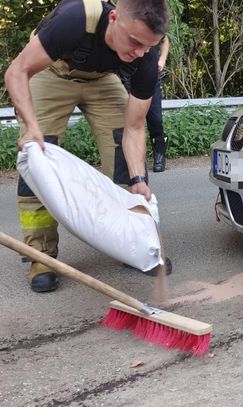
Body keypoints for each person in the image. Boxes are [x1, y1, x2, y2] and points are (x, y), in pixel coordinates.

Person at [4, 0, 170, 293]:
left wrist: (139, 179)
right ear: (115, 18)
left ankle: (132, 246)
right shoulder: (75, 18)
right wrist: (31, 127)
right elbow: (17, 71)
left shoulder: (144, 57)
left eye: (147, 47)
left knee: (126, 162)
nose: (139, 53)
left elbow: (133, 127)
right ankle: (41, 256)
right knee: (39, 152)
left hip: (101, 79)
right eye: (134, 42)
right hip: (51, 71)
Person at [147, 36, 169, 173]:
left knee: (155, 119)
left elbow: (165, 40)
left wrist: (162, 60)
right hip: (128, 76)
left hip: (151, 75)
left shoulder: (150, 19)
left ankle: (159, 155)